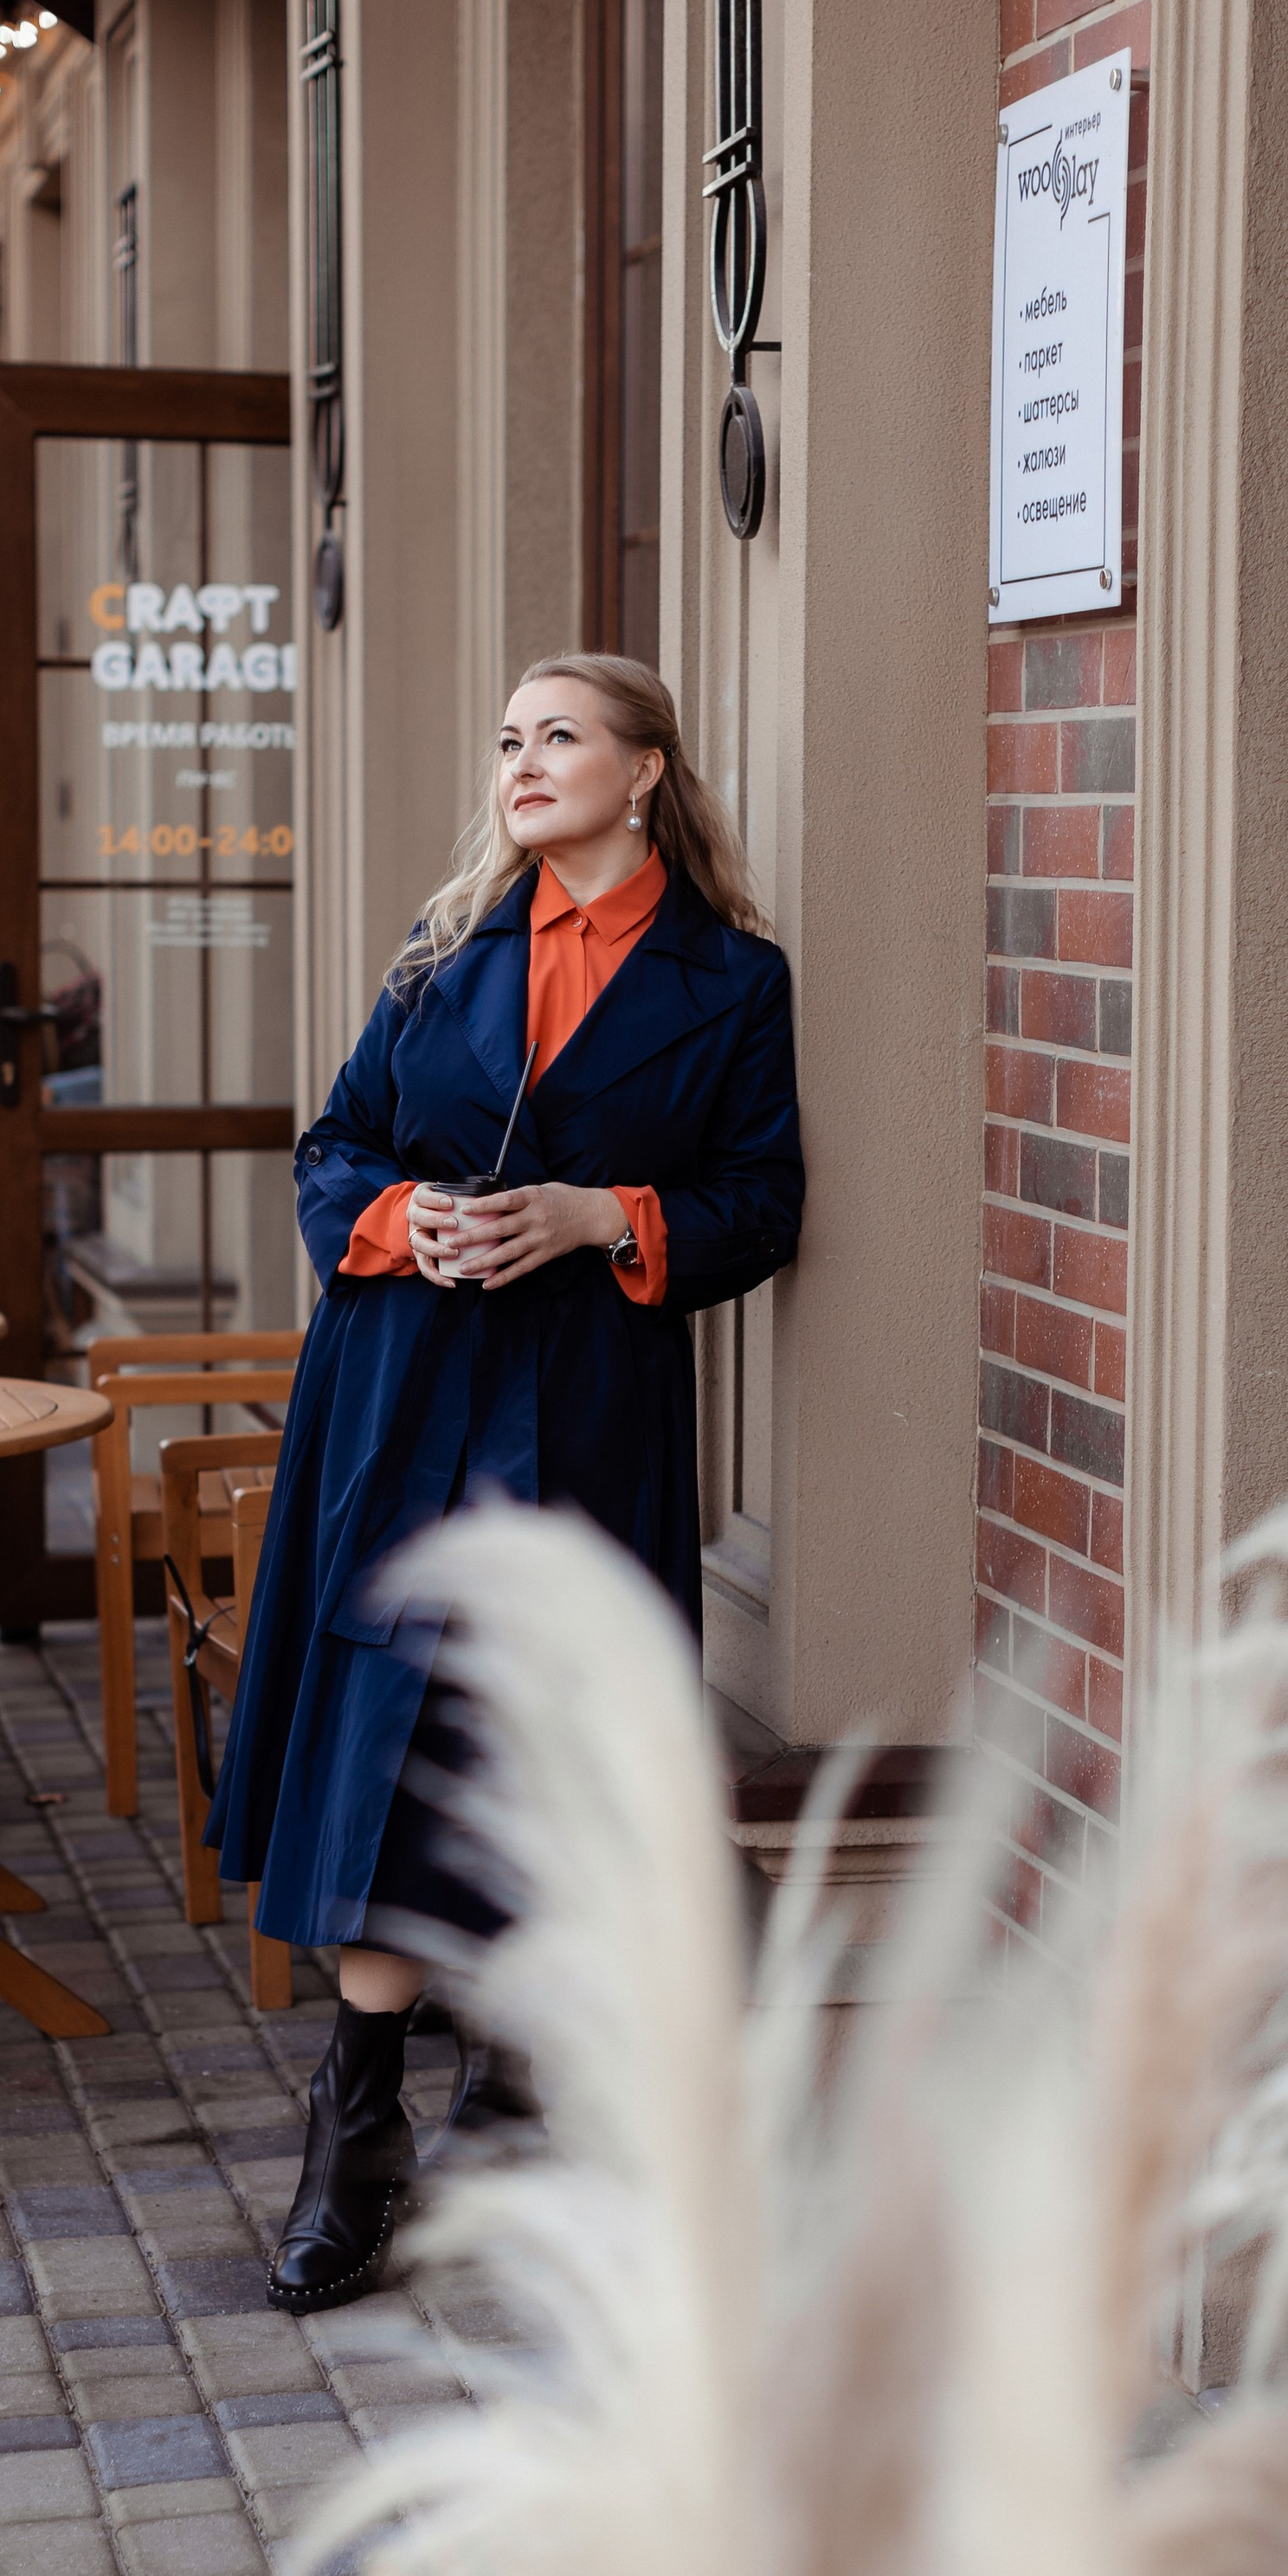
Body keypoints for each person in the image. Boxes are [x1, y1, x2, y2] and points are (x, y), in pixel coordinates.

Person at [207, 654, 805, 2313]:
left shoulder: (731, 980)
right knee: (392, 1721)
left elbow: (763, 1202)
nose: (522, 764)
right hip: (399, 1393)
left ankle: (527, 2059)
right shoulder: (441, 952)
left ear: (644, 770)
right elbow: (336, 1146)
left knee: (545, 1728)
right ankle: (357, 2129)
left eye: (559, 738)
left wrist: (603, 1216)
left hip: (589, 1406)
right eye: (508, 742)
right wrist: (404, 1220)